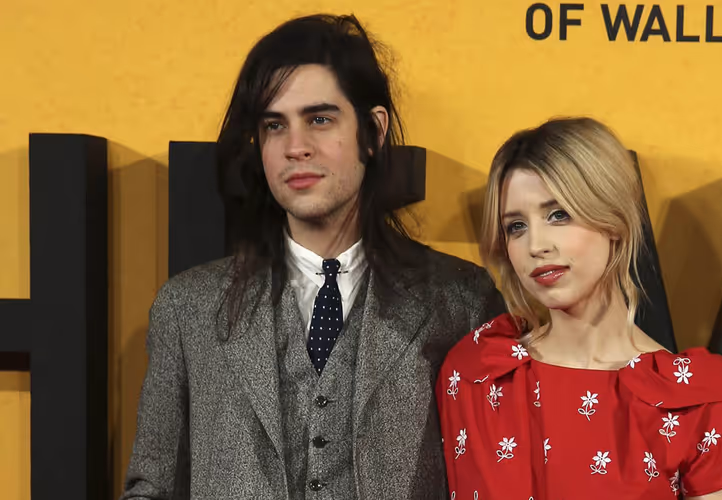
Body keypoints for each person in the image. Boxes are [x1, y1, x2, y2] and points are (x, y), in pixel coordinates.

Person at [122, 14, 505, 500]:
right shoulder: (188, 308)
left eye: (319, 120)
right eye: (274, 125)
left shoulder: (461, 302)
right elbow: (151, 489)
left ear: (373, 131)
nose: (296, 147)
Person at [436, 117, 722, 499]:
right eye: (516, 226)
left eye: (558, 214)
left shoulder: (700, 402)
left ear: (612, 221)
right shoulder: (477, 373)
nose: (536, 245)